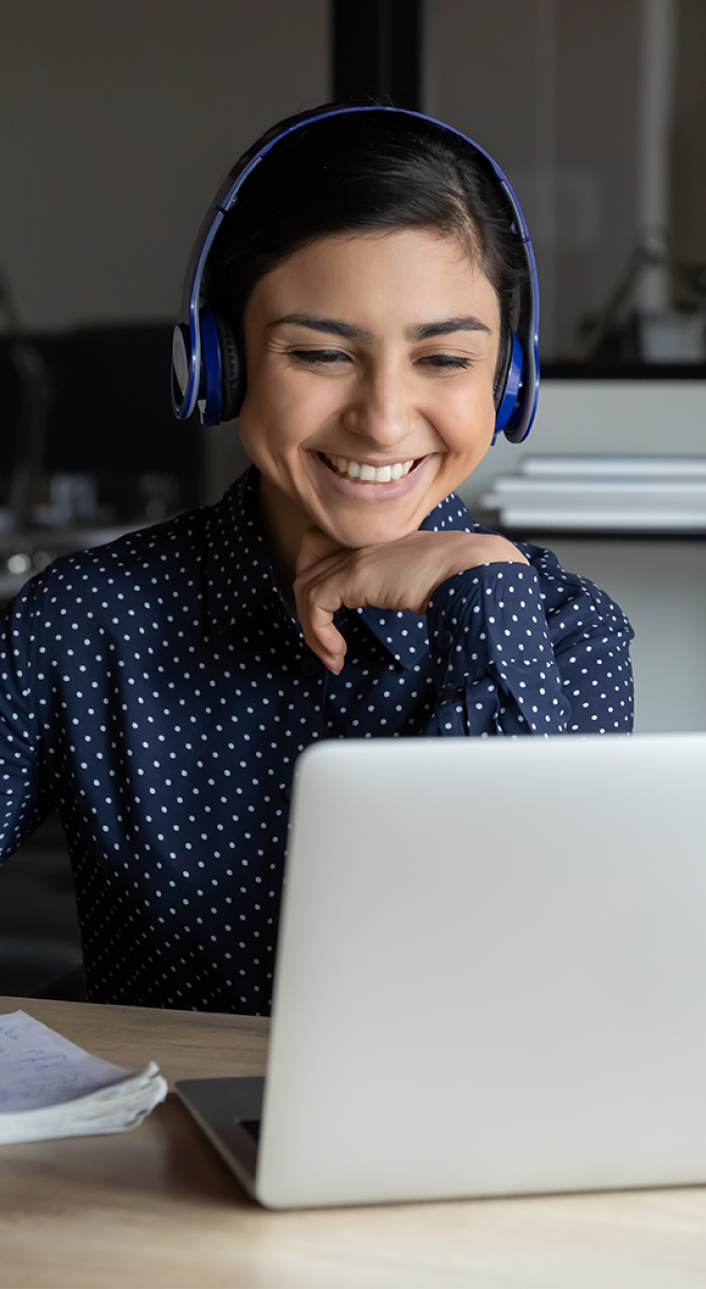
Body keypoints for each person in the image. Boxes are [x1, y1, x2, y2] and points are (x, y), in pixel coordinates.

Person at [0, 106, 633, 1015]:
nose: (381, 418)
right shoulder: (89, 617)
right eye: (321, 353)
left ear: (510, 382)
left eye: (444, 358)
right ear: (220, 361)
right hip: (157, 1143)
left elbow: (541, 955)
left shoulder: (561, 631)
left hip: (452, 1146)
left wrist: (477, 586)